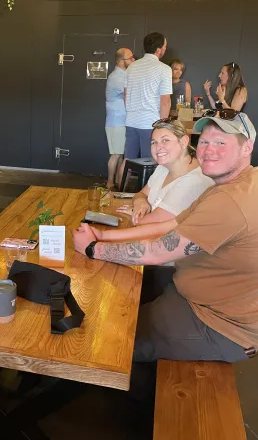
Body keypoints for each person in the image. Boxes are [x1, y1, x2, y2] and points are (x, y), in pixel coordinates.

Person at [73, 111, 258, 363]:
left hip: (218, 325)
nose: (208, 150)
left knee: (109, 337)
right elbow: (171, 223)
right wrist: (103, 235)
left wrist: (93, 249)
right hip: (190, 293)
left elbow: (158, 251)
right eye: (204, 141)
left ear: (247, 147)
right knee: (113, 300)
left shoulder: (229, 199)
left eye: (221, 142)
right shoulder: (235, 184)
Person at [111, 119, 214, 233]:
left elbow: (152, 224)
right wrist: (140, 202)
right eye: (154, 142)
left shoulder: (195, 181)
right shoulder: (163, 167)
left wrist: (136, 214)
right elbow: (141, 194)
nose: (158, 147)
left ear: (184, 141)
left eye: (165, 140)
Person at [123, 32, 172, 161]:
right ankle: (148, 182)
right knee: (151, 161)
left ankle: (120, 182)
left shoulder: (131, 67)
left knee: (128, 159)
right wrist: (163, 125)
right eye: (164, 46)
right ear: (158, 49)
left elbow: (125, 95)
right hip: (150, 123)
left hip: (131, 121)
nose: (165, 49)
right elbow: (165, 101)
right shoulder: (164, 69)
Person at [105, 48, 135, 189]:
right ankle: (110, 183)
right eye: (130, 58)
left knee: (121, 156)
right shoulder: (117, 77)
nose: (133, 60)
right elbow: (128, 96)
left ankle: (118, 184)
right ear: (121, 61)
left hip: (122, 121)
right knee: (116, 155)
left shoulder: (124, 75)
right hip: (116, 122)